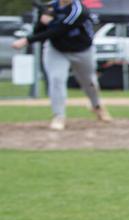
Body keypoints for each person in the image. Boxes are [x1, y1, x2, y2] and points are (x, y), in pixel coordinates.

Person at [9, 0, 113, 132]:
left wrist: (27, 40)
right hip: (56, 50)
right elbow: (38, 30)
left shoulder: (79, 10)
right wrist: (43, 20)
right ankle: (58, 116)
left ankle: (97, 106)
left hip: (82, 50)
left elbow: (59, 30)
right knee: (56, 79)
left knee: (89, 82)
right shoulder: (51, 7)